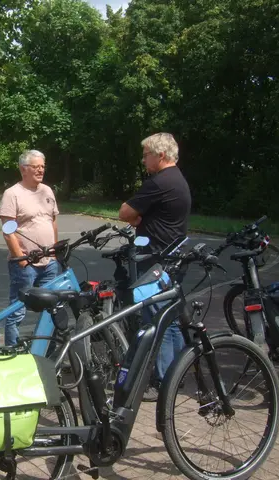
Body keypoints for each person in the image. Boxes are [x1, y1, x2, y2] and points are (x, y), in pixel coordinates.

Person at [119, 132, 191, 401]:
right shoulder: (177, 178)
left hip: (155, 262)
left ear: (160, 155)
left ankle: (164, 381)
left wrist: (137, 219)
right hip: (171, 258)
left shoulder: (160, 182)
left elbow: (125, 212)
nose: (143, 159)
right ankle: (176, 374)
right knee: (170, 319)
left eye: (146, 154)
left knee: (158, 320)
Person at [0, 150, 60, 346]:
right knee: (17, 311)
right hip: (26, 264)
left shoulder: (47, 191)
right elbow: (8, 231)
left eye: (42, 166)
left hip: (49, 262)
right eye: (36, 167)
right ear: (23, 169)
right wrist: (21, 259)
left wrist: (55, 252)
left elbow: (52, 221)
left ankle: (45, 351)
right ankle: (12, 351)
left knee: (51, 310)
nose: (41, 170)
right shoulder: (12, 194)